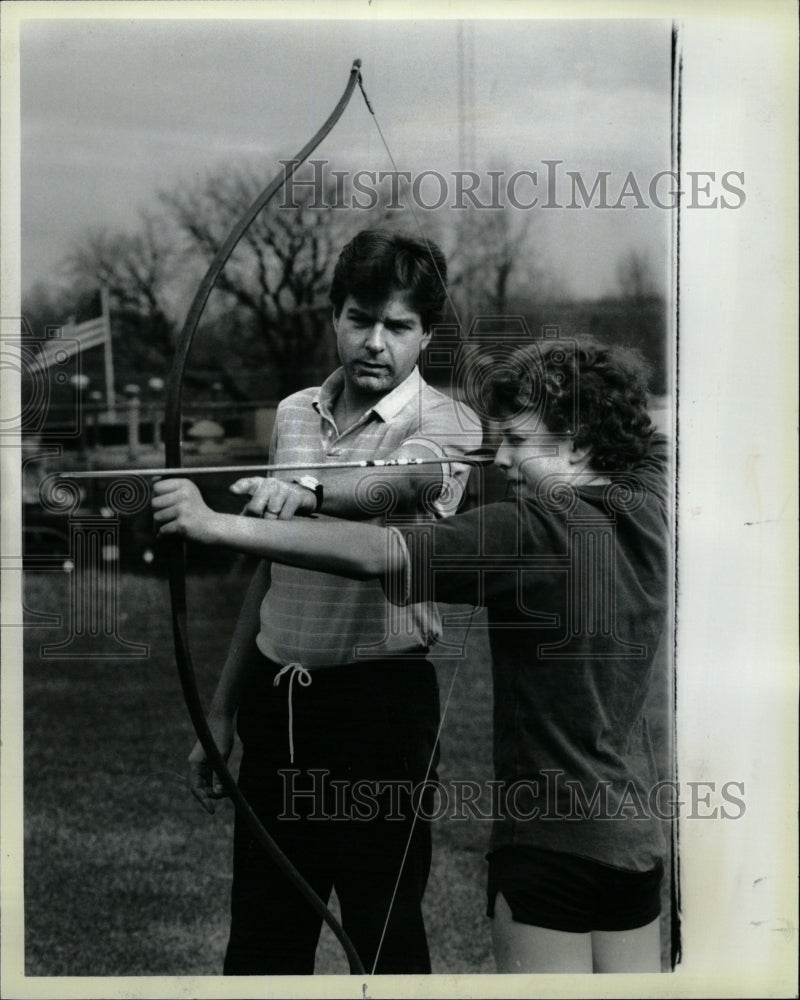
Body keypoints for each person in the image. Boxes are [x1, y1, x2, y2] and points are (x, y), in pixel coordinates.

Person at [154, 335, 670, 974]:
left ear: (580, 437)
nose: (499, 460)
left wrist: (212, 524)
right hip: (636, 844)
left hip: (548, 847)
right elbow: (641, 440)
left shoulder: (530, 530)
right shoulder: (648, 506)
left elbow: (376, 554)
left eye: (517, 441)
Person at [172, 229, 479, 975]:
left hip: (382, 708)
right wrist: (220, 709)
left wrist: (305, 491)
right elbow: (271, 571)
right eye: (357, 317)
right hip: (278, 713)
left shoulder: (446, 423)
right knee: (262, 950)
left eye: (398, 326)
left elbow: (398, 484)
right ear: (334, 315)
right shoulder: (294, 413)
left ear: (426, 334)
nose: (374, 342)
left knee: (383, 942)